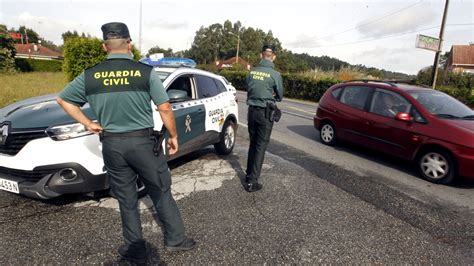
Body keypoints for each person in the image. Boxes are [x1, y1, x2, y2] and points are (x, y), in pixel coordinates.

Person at [56, 22, 195, 264]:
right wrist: (173, 136)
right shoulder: (145, 72)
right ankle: (176, 240)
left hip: (112, 145)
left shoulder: (90, 75)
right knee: (160, 190)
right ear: (129, 43)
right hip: (142, 143)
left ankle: (135, 251)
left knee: (127, 199)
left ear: (104, 46)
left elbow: (63, 100)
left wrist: (89, 123)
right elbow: (164, 107)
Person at [245, 44, 284, 192]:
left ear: (261, 55)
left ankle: (248, 176)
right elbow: (279, 96)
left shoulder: (252, 72)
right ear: (273, 57)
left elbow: (249, 88)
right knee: (260, 146)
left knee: (253, 144)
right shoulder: (275, 75)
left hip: (251, 112)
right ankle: (252, 182)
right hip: (265, 113)